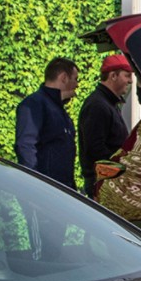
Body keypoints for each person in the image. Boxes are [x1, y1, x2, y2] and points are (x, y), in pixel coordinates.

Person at [15, 57, 80, 188]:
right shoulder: (34, 104)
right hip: (45, 190)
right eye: (75, 79)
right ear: (64, 78)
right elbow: (25, 146)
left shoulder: (58, 109)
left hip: (61, 188)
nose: (77, 84)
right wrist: (35, 185)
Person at [78, 54, 133, 198]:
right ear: (113, 76)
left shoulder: (107, 103)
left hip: (107, 181)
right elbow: (95, 149)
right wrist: (118, 171)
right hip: (103, 183)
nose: (130, 81)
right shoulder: (98, 105)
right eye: (127, 75)